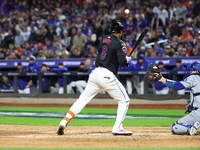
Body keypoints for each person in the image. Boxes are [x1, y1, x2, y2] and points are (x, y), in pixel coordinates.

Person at [57, 22, 132, 136]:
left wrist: (123, 59)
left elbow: (105, 55)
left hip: (95, 73)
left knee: (83, 99)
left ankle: (65, 121)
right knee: (124, 100)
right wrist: (127, 60)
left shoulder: (104, 39)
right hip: (107, 75)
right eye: (122, 32)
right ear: (120, 31)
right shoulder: (121, 43)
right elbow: (122, 62)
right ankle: (118, 127)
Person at [150, 61, 200, 135]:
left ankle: (189, 128)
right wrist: (191, 105)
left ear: (197, 71)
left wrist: (162, 79)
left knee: (174, 126)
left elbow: (178, 86)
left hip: (198, 113)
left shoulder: (194, 77)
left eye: (192, 70)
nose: (190, 72)